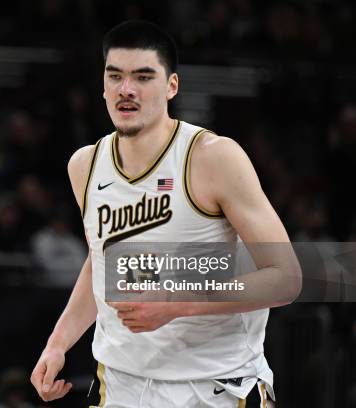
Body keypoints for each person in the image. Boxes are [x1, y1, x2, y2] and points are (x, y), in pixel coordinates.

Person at [30, 20, 301, 407]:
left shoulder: (213, 157)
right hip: (119, 384)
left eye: (143, 77)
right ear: (103, 87)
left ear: (171, 85)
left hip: (215, 385)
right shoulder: (85, 165)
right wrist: (57, 344)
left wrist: (176, 302)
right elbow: (101, 260)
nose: (127, 89)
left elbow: (286, 279)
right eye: (116, 77)